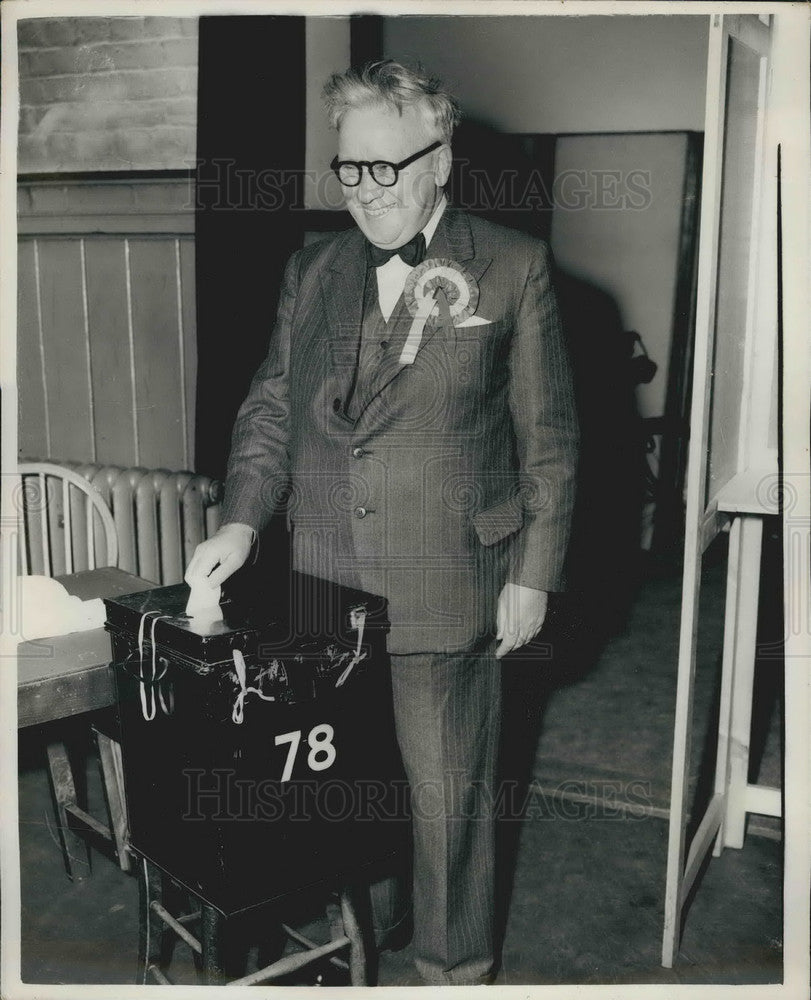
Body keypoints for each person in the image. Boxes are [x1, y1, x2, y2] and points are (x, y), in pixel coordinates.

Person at [185, 59, 579, 987]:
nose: (366, 193)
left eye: (388, 168)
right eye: (348, 169)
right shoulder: (311, 268)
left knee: (449, 808)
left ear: (441, 160)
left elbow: (550, 443)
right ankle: (365, 935)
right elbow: (271, 411)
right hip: (323, 584)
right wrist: (241, 525)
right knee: (342, 790)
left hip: (449, 582)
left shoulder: (513, 267)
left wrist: (534, 574)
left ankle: (453, 968)